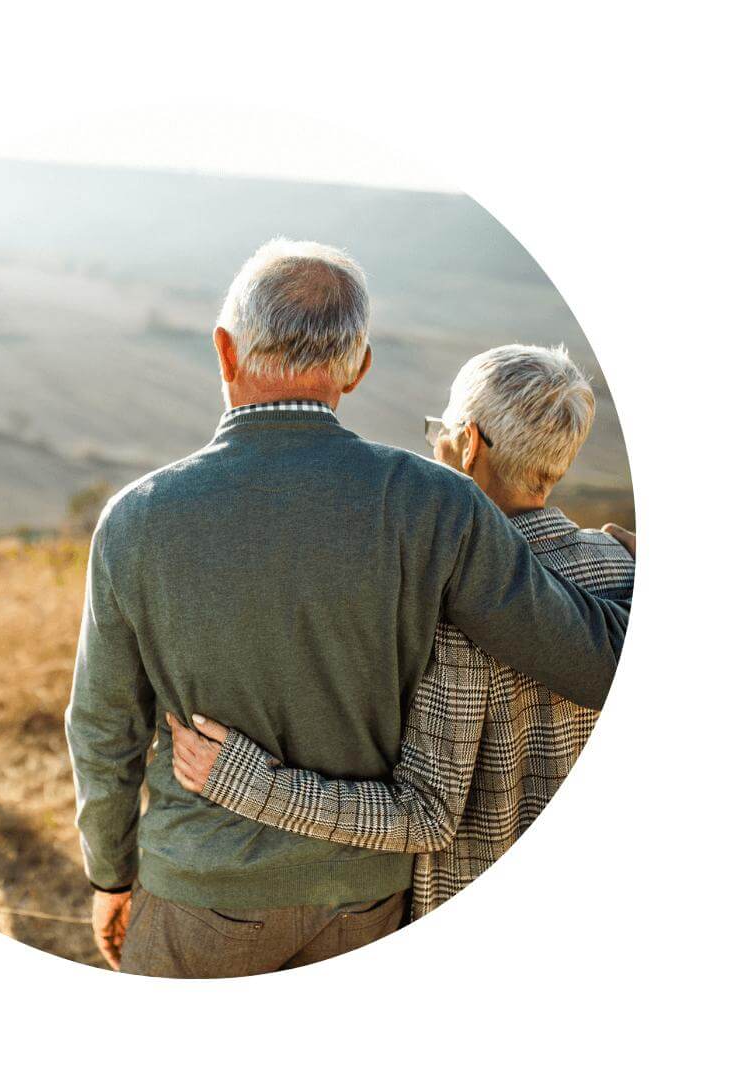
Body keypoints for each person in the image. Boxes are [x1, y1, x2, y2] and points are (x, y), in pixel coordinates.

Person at [64, 240, 630, 978]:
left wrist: (110, 875)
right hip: (368, 905)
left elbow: (104, 729)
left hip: (201, 898)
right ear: (358, 368)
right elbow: (594, 661)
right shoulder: (435, 504)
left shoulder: (136, 518)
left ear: (225, 351)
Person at [168, 344, 635, 920]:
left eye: (439, 430)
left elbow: (425, 815)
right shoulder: (624, 566)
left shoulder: (452, 605)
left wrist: (249, 784)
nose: (432, 444)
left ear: (467, 446)